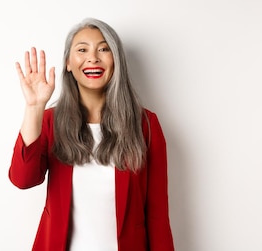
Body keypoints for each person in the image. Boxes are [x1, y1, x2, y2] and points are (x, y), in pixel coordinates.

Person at [9, 18, 174, 251]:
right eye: (82, 49)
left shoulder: (145, 125)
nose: (93, 57)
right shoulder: (49, 121)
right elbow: (23, 179)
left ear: (116, 61)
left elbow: (157, 216)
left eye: (104, 49)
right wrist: (34, 107)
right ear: (68, 63)